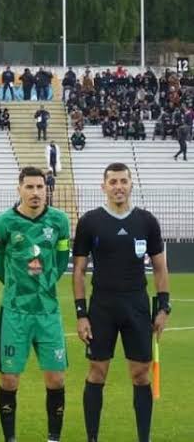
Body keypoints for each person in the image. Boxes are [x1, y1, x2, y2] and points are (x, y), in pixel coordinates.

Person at [73, 162, 172, 442]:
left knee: (141, 374)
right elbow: (79, 271)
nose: (118, 186)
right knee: (97, 371)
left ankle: (144, 438)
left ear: (131, 184)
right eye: (113, 181)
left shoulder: (146, 221)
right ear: (103, 186)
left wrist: (163, 307)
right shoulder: (90, 221)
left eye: (123, 181)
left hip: (136, 305)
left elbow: (160, 267)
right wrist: (81, 314)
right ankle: (92, 438)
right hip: (102, 306)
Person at [0, 166, 70, 442]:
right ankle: (10, 438)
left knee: (56, 379)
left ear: (46, 189)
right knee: (9, 379)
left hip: (48, 311)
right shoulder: (4, 223)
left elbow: (61, 260)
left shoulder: (59, 221)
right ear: (19, 188)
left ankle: (53, 438)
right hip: (15, 312)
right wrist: (17, 286)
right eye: (30, 187)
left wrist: (44, 285)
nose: (35, 192)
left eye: (40, 187)